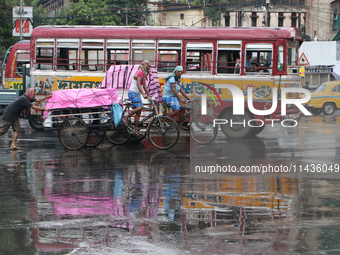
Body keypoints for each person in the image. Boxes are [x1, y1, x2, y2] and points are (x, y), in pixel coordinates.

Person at [122, 60, 152, 129]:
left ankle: (135, 130)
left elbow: (144, 85)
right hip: (133, 93)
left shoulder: (144, 73)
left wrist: (148, 94)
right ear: (146, 66)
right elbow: (138, 83)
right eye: (149, 66)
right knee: (139, 108)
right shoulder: (139, 72)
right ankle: (125, 118)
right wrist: (143, 94)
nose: (150, 67)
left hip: (137, 94)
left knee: (139, 112)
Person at [162, 66, 190, 130]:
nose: (180, 73)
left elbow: (181, 89)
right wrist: (180, 99)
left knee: (183, 108)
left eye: (181, 72)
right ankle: (163, 121)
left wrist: (188, 98)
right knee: (177, 110)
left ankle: (179, 125)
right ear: (175, 71)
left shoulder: (178, 79)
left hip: (174, 97)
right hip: (168, 97)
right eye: (179, 71)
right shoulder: (172, 78)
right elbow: (173, 89)